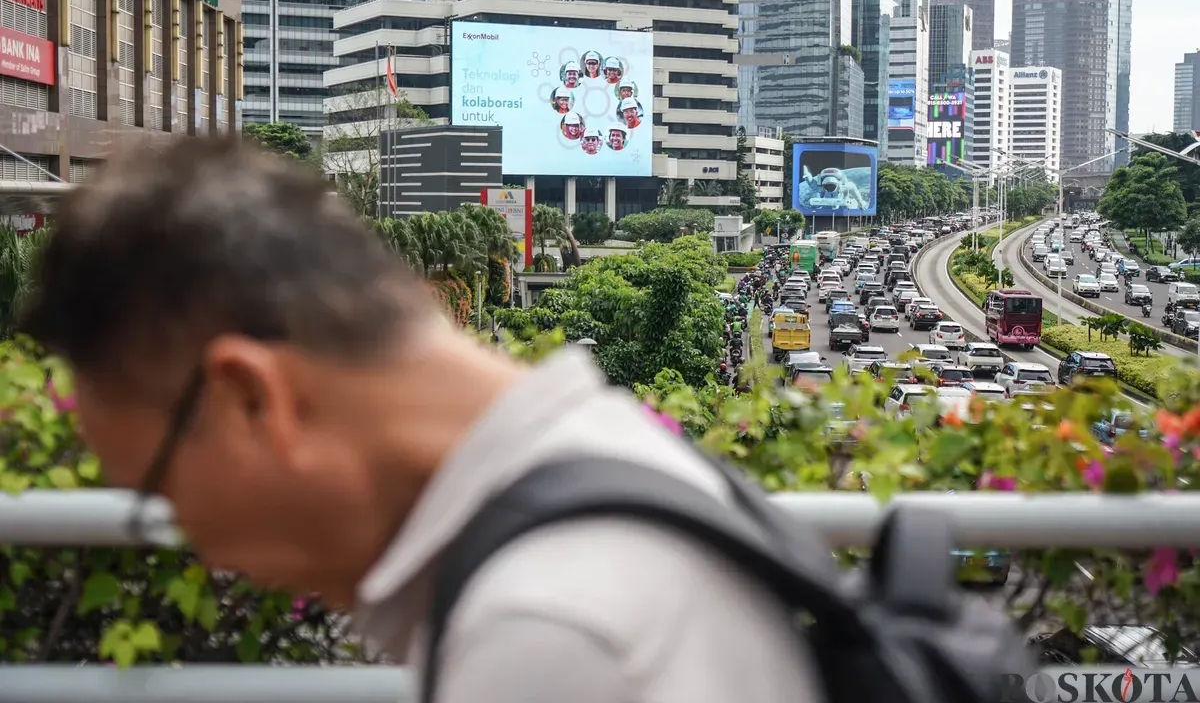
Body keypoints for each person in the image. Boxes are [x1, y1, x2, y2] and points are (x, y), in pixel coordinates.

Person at [19, 137, 822, 703]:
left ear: (252, 397)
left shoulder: (545, 634)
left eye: (164, 492)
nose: (203, 549)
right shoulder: (610, 462)